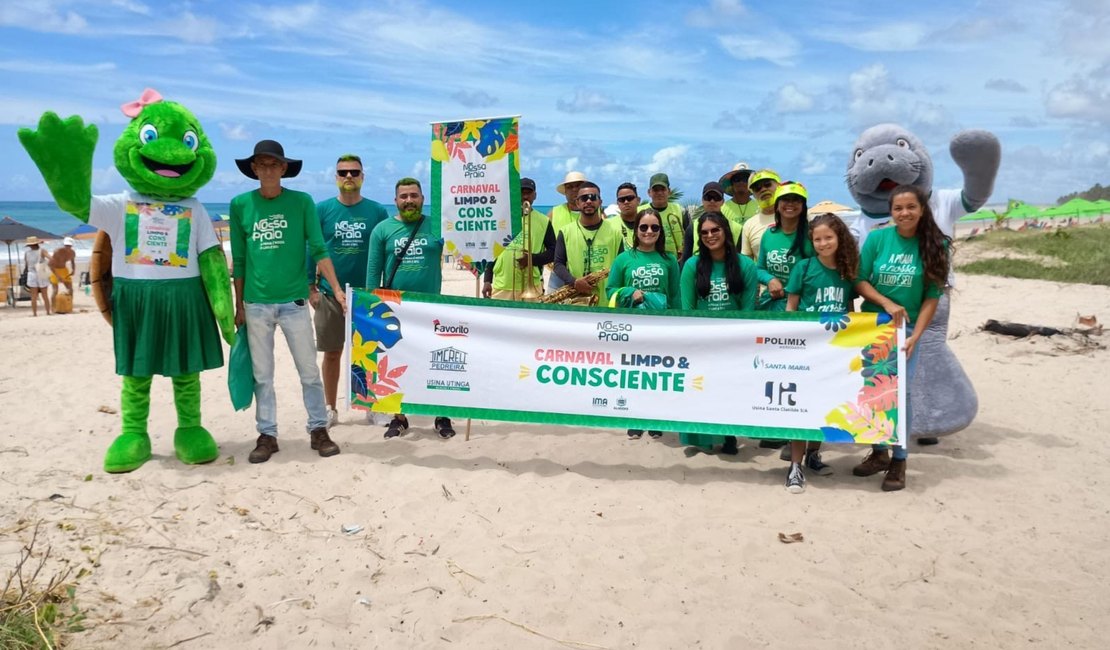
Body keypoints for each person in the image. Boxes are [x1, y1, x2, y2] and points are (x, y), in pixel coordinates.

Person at [230, 139, 345, 464]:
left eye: (274, 164)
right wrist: (238, 305)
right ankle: (267, 434)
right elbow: (239, 261)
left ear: (284, 168)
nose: (268, 169)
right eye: (262, 164)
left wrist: (335, 287)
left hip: (294, 302)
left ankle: (318, 429)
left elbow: (319, 249)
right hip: (256, 303)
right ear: (254, 169)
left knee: (308, 371)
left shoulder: (301, 202)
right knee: (262, 375)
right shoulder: (240, 204)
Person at [851, 184, 948, 492]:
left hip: (907, 331)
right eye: (898, 208)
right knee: (873, 392)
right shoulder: (878, 238)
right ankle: (879, 453)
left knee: (900, 396)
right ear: (890, 211)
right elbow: (859, 280)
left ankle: (899, 459)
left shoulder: (935, 245)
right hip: (873, 325)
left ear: (922, 209)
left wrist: (916, 336)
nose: (904, 213)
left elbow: (932, 297)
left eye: (910, 207)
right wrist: (887, 303)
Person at [365, 177, 456, 439]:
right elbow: (373, 272)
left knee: (436, 361)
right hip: (395, 308)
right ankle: (399, 417)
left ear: (422, 199)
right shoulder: (382, 230)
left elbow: (461, 248)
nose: (409, 201)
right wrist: (371, 307)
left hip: (431, 306)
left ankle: (441, 414)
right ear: (395, 201)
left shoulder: (435, 226)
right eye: (403, 196)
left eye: (414, 196)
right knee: (396, 363)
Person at [781, 213, 860, 493]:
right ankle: (795, 466)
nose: (823, 243)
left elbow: (850, 310)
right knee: (801, 406)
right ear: (811, 242)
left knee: (826, 404)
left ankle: (814, 454)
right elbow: (790, 309)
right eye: (817, 239)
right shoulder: (803, 268)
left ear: (840, 238)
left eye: (829, 237)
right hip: (806, 349)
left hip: (836, 350)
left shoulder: (847, 270)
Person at [309, 154, 388, 430]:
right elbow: (312, 250)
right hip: (330, 293)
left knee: (366, 352)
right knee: (332, 353)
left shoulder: (377, 211)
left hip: (367, 294)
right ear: (336, 177)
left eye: (354, 172)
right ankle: (330, 408)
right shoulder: (322, 210)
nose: (349, 177)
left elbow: (386, 249)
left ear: (363, 177)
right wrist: (311, 287)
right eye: (343, 173)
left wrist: (384, 288)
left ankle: (369, 405)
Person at [679, 212, 759, 456]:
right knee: (701, 388)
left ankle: (728, 435)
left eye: (715, 230)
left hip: (734, 339)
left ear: (726, 231)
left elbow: (748, 308)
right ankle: (703, 437)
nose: (710, 236)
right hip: (702, 339)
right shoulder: (692, 265)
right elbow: (687, 308)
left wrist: (738, 338)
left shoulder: (746, 265)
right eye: (704, 233)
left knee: (729, 389)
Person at [605, 208, 680, 440]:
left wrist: (678, 325)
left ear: (660, 231)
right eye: (644, 227)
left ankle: (655, 419)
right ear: (636, 230)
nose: (649, 231)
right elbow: (610, 290)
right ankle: (635, 419)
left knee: (657, 373)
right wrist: (629, 291)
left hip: (661, 326)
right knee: (634, 373)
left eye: (654, 227)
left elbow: (676, 295)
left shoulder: (669, 260)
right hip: (632, 325)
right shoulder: (624, 259)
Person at [482, 177, 555, 300]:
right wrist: (487, 280)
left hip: (531, 285)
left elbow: (553, 251)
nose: (525, 196)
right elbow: (491, 251)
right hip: (502, 285)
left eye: (529, 193)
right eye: (522, 192)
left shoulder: (544, 221)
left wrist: (533, 259)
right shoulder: (500, 218)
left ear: (535, 195)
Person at [552, 182, 625, 303]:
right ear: (577, 203)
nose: (589, 201)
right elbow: (558, 264)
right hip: (578, 302)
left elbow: (622, 266)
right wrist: (574, 281)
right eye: (584, 198)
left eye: (593, 197)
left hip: (608, 302)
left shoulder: (616, 233)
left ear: (600, 202)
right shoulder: (565, 232)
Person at [756, 182, 814, 312]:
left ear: (803, 206)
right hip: (771, 303)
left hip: (802, 305)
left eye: (796, 200)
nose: (790, 203)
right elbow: (759, 269)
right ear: (777, 206)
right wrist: (770, 280)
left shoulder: (812, 235)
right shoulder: (768, 234)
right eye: (785, 199)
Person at [681, 181, 742, 260]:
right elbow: (686, 258)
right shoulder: (692, 228)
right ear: (702, 200)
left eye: (717, 197)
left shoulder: (737, 228)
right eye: (708, 197)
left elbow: (741, 260)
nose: (712, 201)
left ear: (723, 201)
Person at [548, 172, 587, 291]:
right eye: (570, 187)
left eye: (578, 185)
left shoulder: (597, 212)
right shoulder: (553, 213)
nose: (574, 189)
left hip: (587, 273)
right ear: (565, 191)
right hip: (558, 273)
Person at [640, 173, 686, 261]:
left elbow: (688, 236)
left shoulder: (680, 210)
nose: (659, 193)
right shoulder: (640, 212)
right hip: (647, 260)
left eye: (663, 189)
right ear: (649, 192)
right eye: (656, 190)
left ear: (669, 191)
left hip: (676, 261)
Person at [739, 169, 781, 261]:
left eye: (767, 184)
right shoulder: (749, 225)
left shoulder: (798, 216)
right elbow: (747, 264)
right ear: (753, 194)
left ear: (779, 186)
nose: (763, 189)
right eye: (757, 188)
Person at [719, 163, 760, 227]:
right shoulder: (723, 209)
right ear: (732, 184)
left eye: (745, 179)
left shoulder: (759, 208)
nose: (741, 182)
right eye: (737, 179)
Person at [22, 236, 52, 316]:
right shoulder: (42, 251)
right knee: (45, 295)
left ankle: (35, 313)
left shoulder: (27, 253)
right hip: (41, 273)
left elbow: (26, 265)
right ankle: (48, 312)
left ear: (30, 245)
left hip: (31, 274)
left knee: (34, 296)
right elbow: (51, 259)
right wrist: (46, 265)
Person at [609, 182, 641, 248]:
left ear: (638, 200)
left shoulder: (648, 224)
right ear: (617, 203)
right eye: (622, 199)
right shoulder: (609, 225)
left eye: (630, 198)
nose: (626, 202)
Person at [49, 236, 76, 308]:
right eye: (66, 245)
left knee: (70, 289)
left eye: (69, 246)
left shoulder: (72, 253)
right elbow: (50, 265)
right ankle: (53, 307)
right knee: (55, 290)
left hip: (64, 270)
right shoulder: (57, 252)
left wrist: (73, 269)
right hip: (55, 270)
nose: (67, 247)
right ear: (64, 245)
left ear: (71, 245)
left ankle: (69, 305)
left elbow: (73, 262)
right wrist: (57, 276)